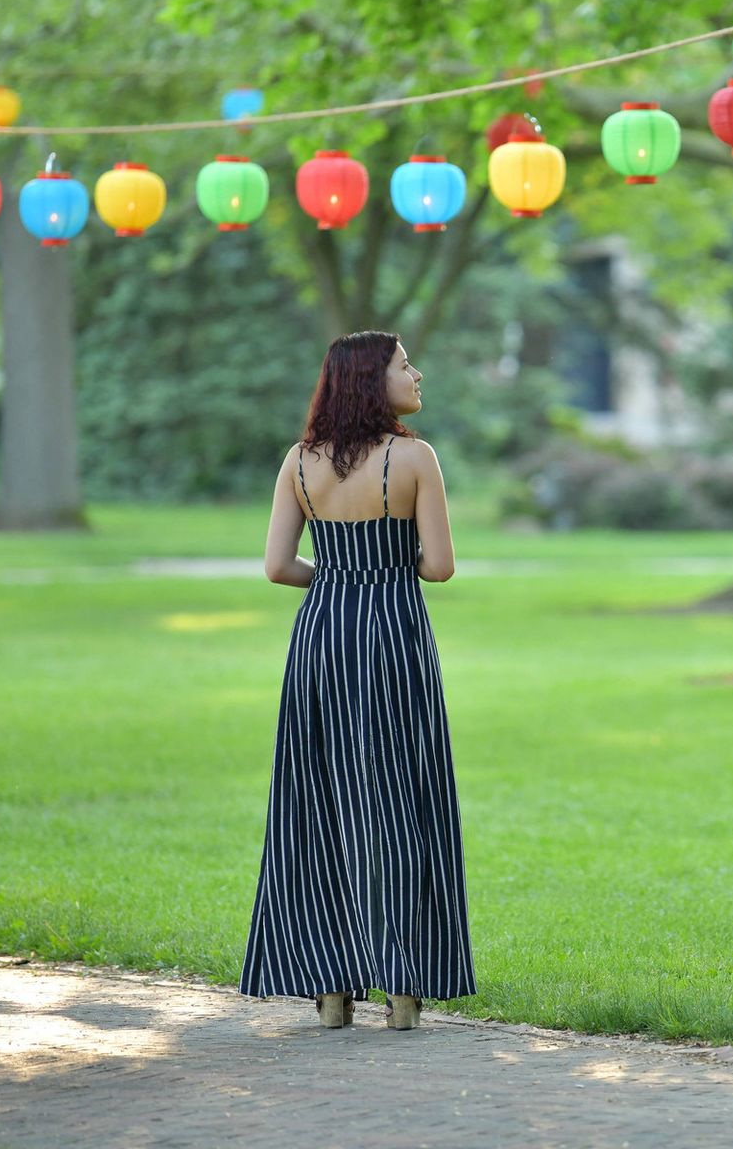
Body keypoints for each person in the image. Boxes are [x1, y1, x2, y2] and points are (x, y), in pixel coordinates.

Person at [238, 330, 475, 1030]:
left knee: (316, 798)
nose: (417, 373)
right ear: (376, 381)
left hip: (321, 635)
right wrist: (378, 576)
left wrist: (339, 579)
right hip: (393, 634)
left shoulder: (299, 462)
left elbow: (279, 566)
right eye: (406, 366)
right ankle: (404, 990)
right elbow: (438, 567)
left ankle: (330, 991)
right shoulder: (416, 459)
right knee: (400, 798)